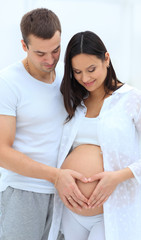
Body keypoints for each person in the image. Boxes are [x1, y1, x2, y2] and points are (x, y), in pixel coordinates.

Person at [53, 31, 141, 240]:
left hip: (114, 208)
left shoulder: (134, 99)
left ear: (107, 59)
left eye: (91, 69)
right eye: (77, 71)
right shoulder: (74, 101)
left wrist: (117, 177)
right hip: (71, 211)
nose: (85, 78)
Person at [0, 8, 89, 240]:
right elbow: (2, 152)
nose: (50, 60)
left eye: (56, 50)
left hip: (64, 195)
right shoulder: (8, 83)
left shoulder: (67, 80)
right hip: (23, 193)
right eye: (40, 53)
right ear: (23, 45)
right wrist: (56, 176)